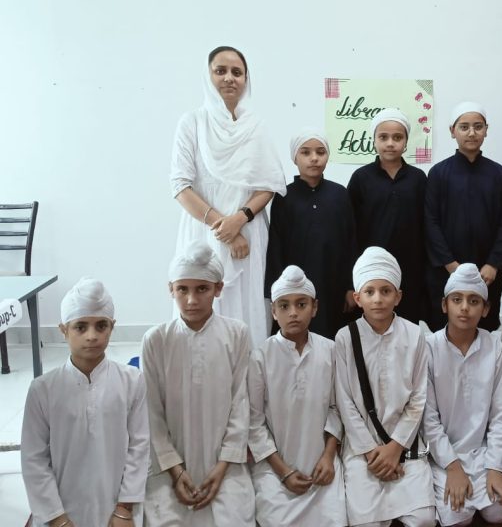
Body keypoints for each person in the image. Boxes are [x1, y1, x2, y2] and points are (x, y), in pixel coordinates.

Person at [170, 45, 287, 348]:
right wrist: (226, 229)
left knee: (249, 308)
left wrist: (240, 220)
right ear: (207, 76)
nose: (229, 78)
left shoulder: (256, 126)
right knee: (201, 301)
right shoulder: (192, 123)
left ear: (247, 79)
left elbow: (269, 184)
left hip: (249, 232)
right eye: (220, 71)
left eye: (237, 72)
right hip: (204, 232)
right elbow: (181, 186)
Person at [142, 241, 255, 526]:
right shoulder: (156, 340)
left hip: (225, 464)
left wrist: (223, 465)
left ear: (218, 288)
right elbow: (152, 414)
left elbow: (241, 404)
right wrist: (176, 470)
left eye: (202, 289)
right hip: (168, 466)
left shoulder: (237, 334)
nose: (191, 300)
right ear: (171, 289)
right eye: (183, 289)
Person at [21, 278, 149, 527]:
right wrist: (58, 519)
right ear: (63, 330)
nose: (92, 336)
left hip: (118, 511)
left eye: (101, 326)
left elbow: (140, 446)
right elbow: (33, 459)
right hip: (58, 512)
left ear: (112, 327)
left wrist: (124, 509)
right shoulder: (43, 390)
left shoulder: (132, 381)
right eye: (81, 327)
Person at [334, 246, 435, 527]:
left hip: (405, 442)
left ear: (398, 296)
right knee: (366, 523)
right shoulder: (345, 338)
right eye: (369, 292)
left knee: (424, 520)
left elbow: (418, 397)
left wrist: (395, 448)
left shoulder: (414, 335)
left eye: (385, 291)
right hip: (362, 446)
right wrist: (371, 451)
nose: (378, 299)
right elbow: (345, 401)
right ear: (358, 298)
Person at [248, 265, 346, 527]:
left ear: (314, 308)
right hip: (274, 469)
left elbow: (337, 409)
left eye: (301, 304)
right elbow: (254, 423)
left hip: (322, 465)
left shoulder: (331, 350)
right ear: (273, 311)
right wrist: (284, 472)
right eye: (284, 306)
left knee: (335, 519)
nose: (293, 312)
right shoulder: (260, 357)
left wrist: (328, 456)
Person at [422, 263, 502, 526]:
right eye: (457, 300)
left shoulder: (494, 346)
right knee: (458, 518)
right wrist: (453, 467)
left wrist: (496, 466)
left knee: (498, 513)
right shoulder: (429, 348)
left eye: (474, 301)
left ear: (486, 309)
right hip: (443, 455)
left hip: (483, 452)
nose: (464, 307)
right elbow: (428, 420)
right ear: (444, 305)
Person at [425, 102, 502, 332]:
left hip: (487, 274)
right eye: (464, 127)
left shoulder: (497, 173)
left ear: (486, 130)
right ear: (452, 131)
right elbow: (430, 222)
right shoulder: (438, 173)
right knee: (444, 332)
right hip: (446, 270)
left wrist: (493, 264)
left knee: (484, 331)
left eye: (478, 126)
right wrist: (449, 264)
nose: (471, 133)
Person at [267, 128, 357, 339]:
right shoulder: (284, 197)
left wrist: (351, 287)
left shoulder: (340, 194)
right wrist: (277, 291)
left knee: (334, 339)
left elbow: (351, 242)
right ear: (294, 158)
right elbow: (276, 247)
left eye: (320, 152)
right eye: (306, 152)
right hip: (295, 287)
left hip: (334, 284)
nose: (314, 158)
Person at [347, 108, 428, 325]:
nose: (390, 143)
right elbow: (350, 230)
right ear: (374, 140)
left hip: (411, 269)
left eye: (397, 137)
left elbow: (426, 227)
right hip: (370, 270)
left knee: (407, 327)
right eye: (383, 137)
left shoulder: (418, 179)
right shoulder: (361, 178)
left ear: (406, 141)